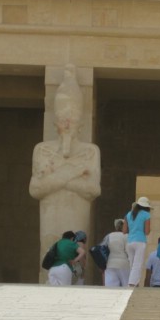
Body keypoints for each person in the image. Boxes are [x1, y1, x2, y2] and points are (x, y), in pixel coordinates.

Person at [29, 65, 101, 276]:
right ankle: (48, 280)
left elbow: (93, 190)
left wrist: (58, 178)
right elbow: (36, 189)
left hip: (77, 209)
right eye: (62, 119)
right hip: (50, 210)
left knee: (76, 248)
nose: (67, 124)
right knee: (49, 247)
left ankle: (76, 280)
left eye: (72, 119)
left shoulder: (90, 151)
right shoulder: (42, 150)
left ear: (80, 124)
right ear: (55, 123)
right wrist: (72, 173)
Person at [123, 196, 151, 286]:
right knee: (138, 264)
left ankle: (135, 282)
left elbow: (124, 231)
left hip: (129, 241)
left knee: (132, 263)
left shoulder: (128, 214)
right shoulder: (146, 215)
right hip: (140, 241)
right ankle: (132, 283)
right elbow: (147, 231)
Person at [102, 219, 129, 287]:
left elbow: (103, 247)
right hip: (124, 264)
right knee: (126, 287)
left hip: (110, 264)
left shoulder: (109, 236)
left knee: (111, 288)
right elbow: (128, 251)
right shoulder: (126, 236)